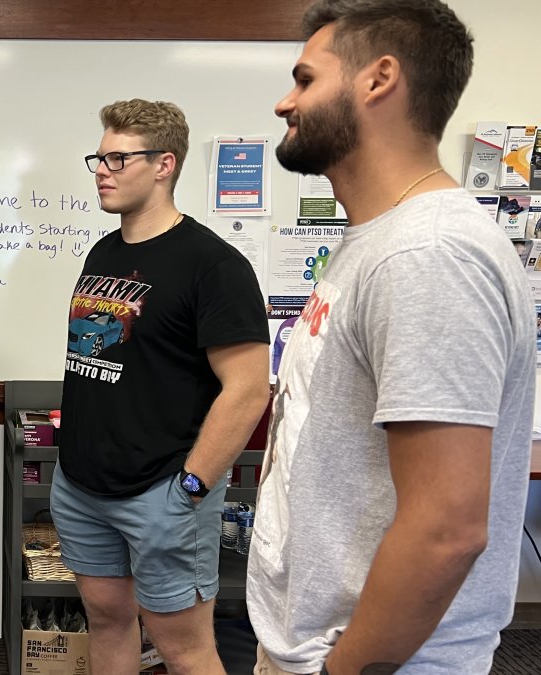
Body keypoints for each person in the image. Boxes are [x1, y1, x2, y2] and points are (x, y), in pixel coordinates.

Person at [246, 1, 535, 674]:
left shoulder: (427, 254)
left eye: (305, 79)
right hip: (319, 645)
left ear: (378, 79)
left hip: (377, 659)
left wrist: (342, 669)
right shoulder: (380, 243)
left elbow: (446, 529)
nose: (285, 103)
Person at [53, 98, 270, 675]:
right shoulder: (105, 251)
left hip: (163, 490)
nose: (102, 170)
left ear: (164, 164)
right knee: (107, 620)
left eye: (118, 159)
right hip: (82, 484)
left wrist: (192, 487)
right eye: (98, 158)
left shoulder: (213, 265)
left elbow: (248, 389)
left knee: (184, 647)